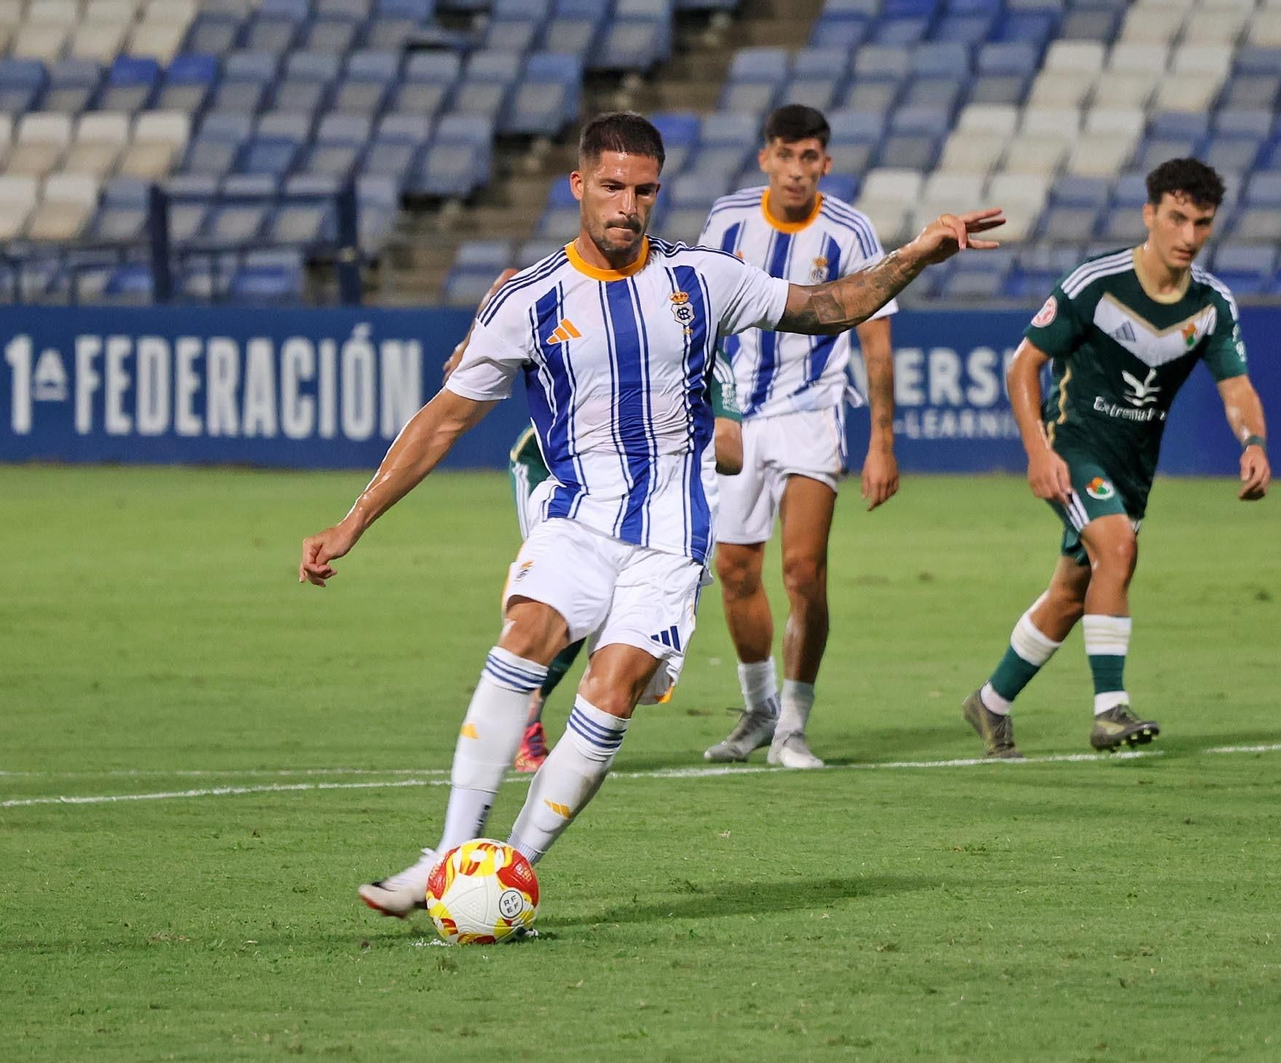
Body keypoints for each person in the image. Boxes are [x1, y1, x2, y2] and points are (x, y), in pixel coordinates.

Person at [297, 111, 1002, 917]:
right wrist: (352, 521)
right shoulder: (528, 298)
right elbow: (442, 420)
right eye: (611, 187)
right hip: (576, 518)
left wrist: (916, 254)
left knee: (613, 686)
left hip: (671, 535)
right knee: (526, 632)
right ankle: (450, 855)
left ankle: (508, 871)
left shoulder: (703, 278)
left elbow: (831, 305)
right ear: (578, 186)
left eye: (643, 190)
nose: (627, 205)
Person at [960, 158, 1271, 758]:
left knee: (1075, 594)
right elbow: (1024, 364)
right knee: (1119, 550)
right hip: (1072, 447)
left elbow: (1238, 388)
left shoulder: (1211, 305)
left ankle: (990, 704)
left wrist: (1253, 443)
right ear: (1149, 214)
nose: (1187, 235)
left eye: (1201, 222)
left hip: (1133, 468)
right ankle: (1109, 711)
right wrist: (1038, 451)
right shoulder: (1095, 284)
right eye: (1176, 218)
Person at [439, 279, 747, 773]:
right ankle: (526, 716)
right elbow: (509, 282)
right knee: (575, 591)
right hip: (549, 472)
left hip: (635, 498)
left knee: (604, 605)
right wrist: (472, 344)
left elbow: (731, 454)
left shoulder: (708, 358)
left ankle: (564, 722)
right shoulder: (630, 324)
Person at [696, 104, 902, 770]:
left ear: (825, 164)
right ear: (766, 159)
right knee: (734, 571)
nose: (795, 170)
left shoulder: (849, 230)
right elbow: (698, 318)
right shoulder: (727, 221)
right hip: (737, 418)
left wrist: (882, 441)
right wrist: (712, 406)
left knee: (803, 573)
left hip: (811, 415)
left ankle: (793, 723)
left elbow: (876, 342)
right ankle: (756, 710)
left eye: (808, 157)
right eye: (784, 156)